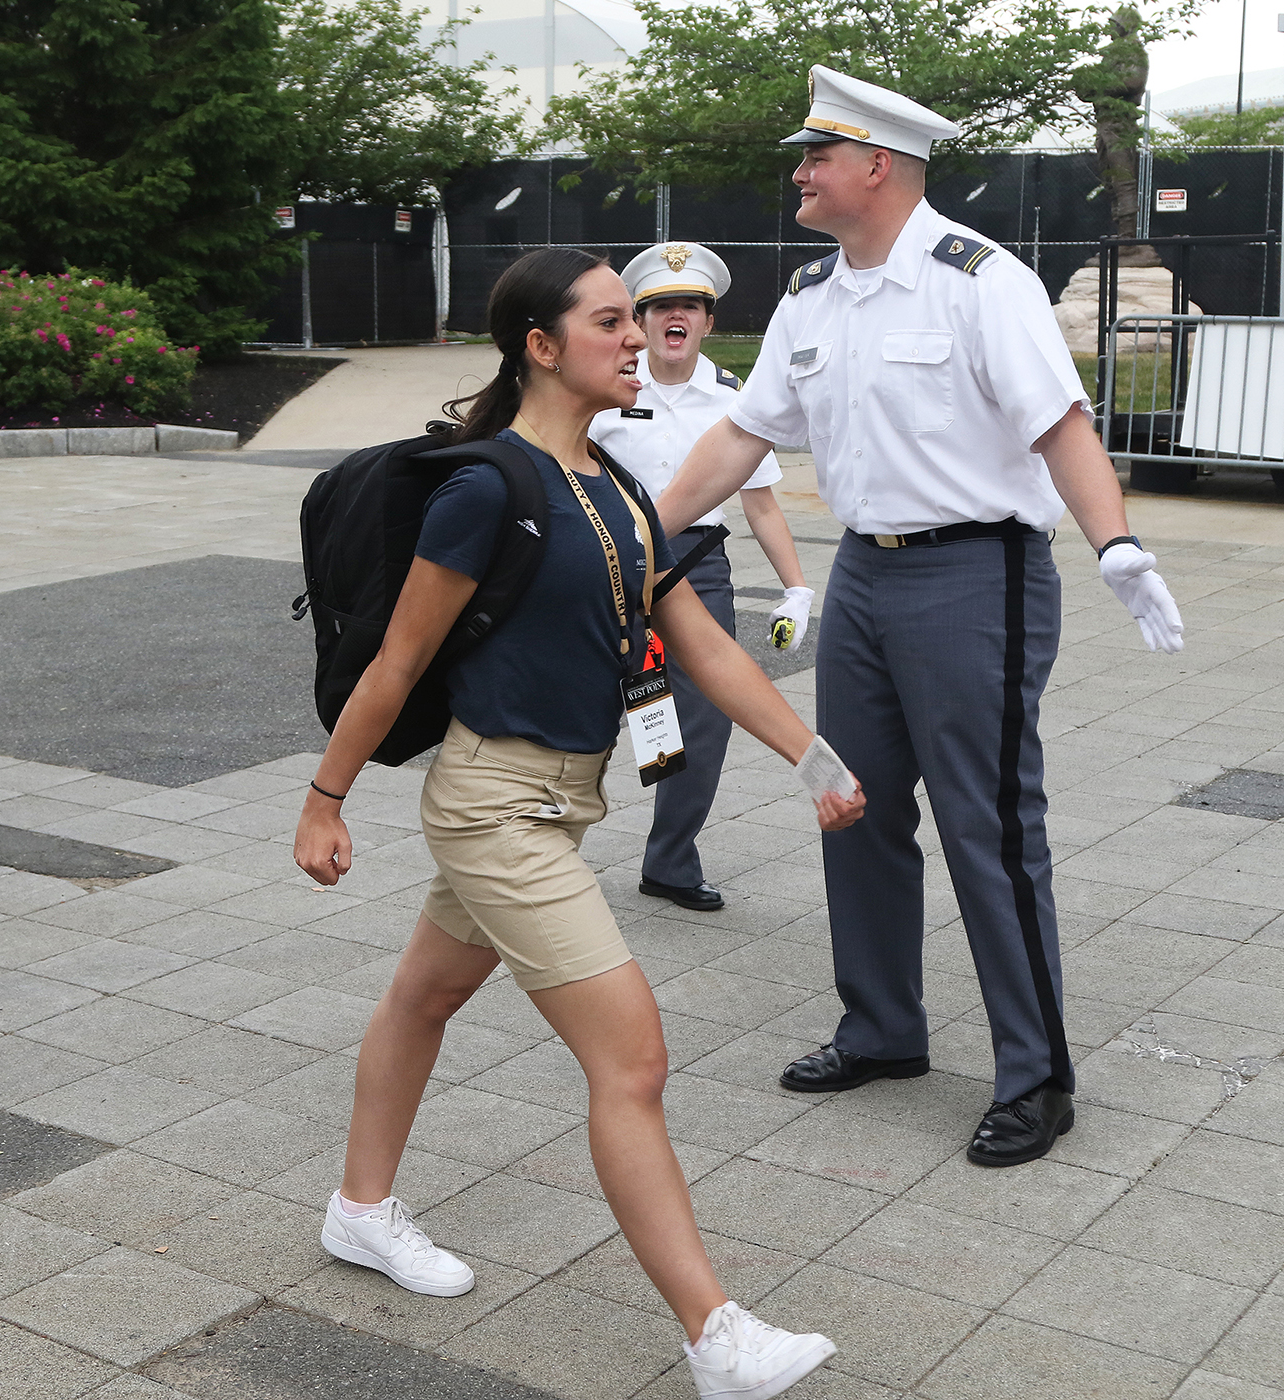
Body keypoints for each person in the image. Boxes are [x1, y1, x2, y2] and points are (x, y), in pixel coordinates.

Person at [296, 247, 866, 1400]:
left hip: (559, 802)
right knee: (635, 1058)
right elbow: (398, 658)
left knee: (426, 993)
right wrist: (326, 797)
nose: (638, 335)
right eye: (610, 319)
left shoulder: (610, 485)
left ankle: (360, 1208)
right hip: (494, 804)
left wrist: (808, 755)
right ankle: (717, 1337)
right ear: (542, 347)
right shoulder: (484, 488)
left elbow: (699, 642)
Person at [657, 67, 1186, 1168]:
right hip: (865, 578)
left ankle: (1037, 1076)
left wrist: (1116, 542)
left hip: (973, 575)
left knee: (988, 828)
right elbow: (743, 437)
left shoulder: (977, 280)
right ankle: (883, 1027)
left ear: (877, 166)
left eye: (816, 156)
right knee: (846, 799)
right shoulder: (810, 292)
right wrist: (638, 529)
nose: (799, 173)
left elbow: (1061, 423)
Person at [590, 241, 815, 913]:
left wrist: (796, 586)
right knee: (582, 700)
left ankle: (670, 859)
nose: (674, 317)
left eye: (688, 305)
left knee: (706, 719)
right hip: (608, 561)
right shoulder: (610, 387)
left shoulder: (733, 401)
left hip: (697, 567)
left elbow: (761, 499)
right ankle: (542, 851)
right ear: (642, 319)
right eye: (660, 306)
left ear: (708, 321)